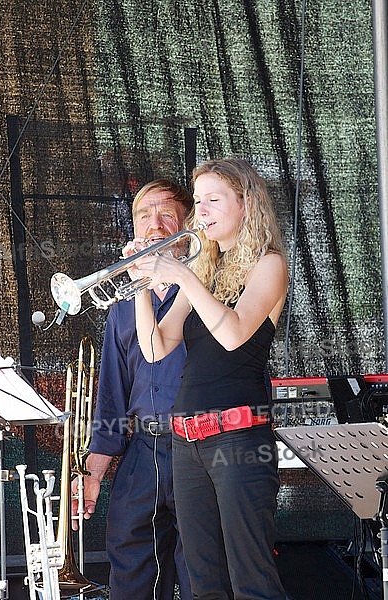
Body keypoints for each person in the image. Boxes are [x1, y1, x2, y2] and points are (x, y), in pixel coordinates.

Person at [134, 158, 288, 600]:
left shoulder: (268, 264)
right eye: (197, 201)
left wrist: (181, 273)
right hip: (186, 440)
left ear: (246, 204)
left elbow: (236, 333)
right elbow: (155, 347)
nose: (199, 211)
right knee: (203, 583)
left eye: (213, 200)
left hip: (239, 439)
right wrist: (142, 283)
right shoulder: (206, 271)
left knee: (252, 581)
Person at [71, 179, 193, 600]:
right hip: (142, 449)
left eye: (166, 215)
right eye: (145, 216)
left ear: (187, 223)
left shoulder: (209, 286)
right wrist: (94, 470)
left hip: (201, 446)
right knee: (129, 560)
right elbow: (112, 391)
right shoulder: (124, 303)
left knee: (201, 572)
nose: (155, 226)